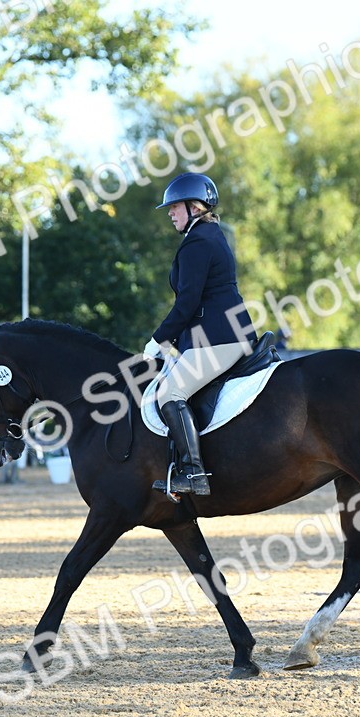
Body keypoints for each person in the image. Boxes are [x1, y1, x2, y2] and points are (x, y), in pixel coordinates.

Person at [144, 172, 257, 497]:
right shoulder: (209, 235)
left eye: (175, 207)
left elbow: (188, 303)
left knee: (170, 394)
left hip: (221, 337)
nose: (170, 213)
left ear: (195, 207)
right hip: (218, 334)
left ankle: (194, 473)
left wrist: (158, 340)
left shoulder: (198, 242)